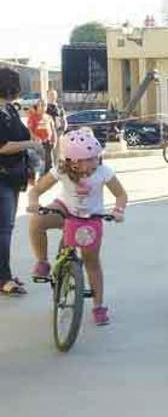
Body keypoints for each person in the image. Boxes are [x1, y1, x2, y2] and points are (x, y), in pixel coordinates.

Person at [28, 128, 128, 325]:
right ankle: (42, 262)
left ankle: (98, 306)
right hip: (65, 209)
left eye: (94, 158)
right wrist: (33, 202)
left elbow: (121, 195)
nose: (93, 163)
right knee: (36, 221)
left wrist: (118, 210)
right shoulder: (61, 171)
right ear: (72, 161)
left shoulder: (104, 172)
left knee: (92, 263)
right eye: (86, 159)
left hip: (91, 216)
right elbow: (37, 190)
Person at [0, 68, 44, 296]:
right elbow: (3, 146)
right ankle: (3, 279)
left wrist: (32, 140)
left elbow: (22, 134)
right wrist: (30, 145)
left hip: (13, 175)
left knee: (6, 228)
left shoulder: (9, 110)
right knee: (3, 230)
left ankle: (4, 273)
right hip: (2, 176)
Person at [26, 99, 56, 178]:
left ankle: (47, 178)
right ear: (38, 106)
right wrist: (35, 137)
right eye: (41, 105)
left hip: (48, 142)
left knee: (49, 161)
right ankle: (39, 178)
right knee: (39, 162)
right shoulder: (33, 117)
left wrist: (54, 139)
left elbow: (53, 129)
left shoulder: (49, 117)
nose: (43, 107)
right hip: (38, 144)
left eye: (45, 105)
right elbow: (29, 130)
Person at [45, 88, 66, 164]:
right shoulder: (45, 107)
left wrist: (64, 127)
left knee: (59, 151)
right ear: (47, 96)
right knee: (50, 152)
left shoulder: (59, 107)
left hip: (59, 131)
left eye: (54, 95)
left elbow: (63, 118)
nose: (53, 96)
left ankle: (57, 168)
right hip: (49, 133)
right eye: (51, 95)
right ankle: (51, 169)